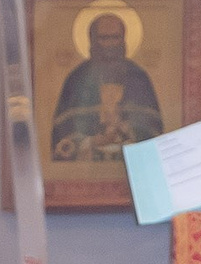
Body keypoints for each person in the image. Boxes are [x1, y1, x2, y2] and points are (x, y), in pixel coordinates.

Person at [49, 10, 164, 161]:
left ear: (123, 40)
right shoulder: (76, 79)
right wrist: (93, 141)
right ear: (92, 41)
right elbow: (63, 137)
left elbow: (154, 131)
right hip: (86, 170)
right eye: (104, 38)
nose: (110, 44)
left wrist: (127, 130)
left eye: (115, 38)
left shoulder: (138, 78)